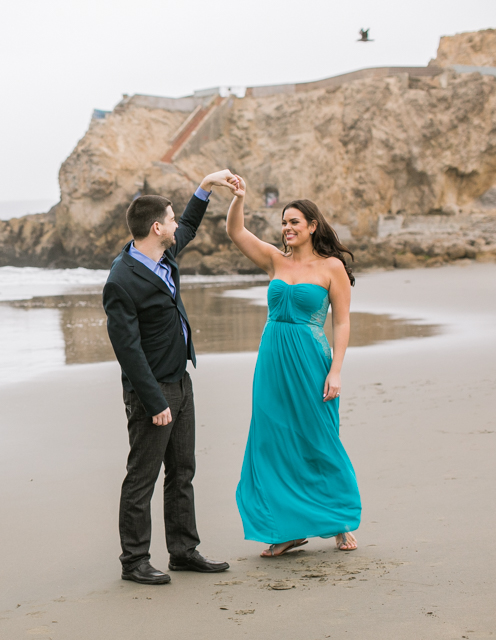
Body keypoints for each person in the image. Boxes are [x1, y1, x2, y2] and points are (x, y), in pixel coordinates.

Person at [102, 170, 238, 585]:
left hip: (180, 380)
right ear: (157, 227)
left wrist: (207, 185)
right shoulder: (122, 279)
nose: (178, 225)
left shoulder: (164, 255)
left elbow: (192, 226)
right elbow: (127, 351)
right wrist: (154, 401)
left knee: (183, 471)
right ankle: (134, 562)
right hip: (153, 391)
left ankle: (183, 550)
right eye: (172, 218)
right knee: (142, 476)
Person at [224, 176, 361, 557]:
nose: (287, 229)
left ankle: (338, 520)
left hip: (310, 359)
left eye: (294, 222)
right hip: (272, 358)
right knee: (273, 441)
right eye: (284, 223)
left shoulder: (331, 267)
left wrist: (336, 370)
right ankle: (286, 529)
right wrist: (240, 198)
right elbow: (235, 231)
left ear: (312, 226)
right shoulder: (273, 259)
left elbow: (343, 321)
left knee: (318, 438)